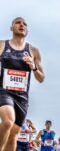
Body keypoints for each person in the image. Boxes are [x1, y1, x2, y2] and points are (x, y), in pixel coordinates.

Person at [0, 17, 45, 151]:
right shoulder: (2, 45)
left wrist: (33, 67)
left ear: (27, 30)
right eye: (18, 22)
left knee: (14, 135)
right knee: (8, 122)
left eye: (25, 24)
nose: (22, 25)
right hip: (4, 92)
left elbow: (41, 78)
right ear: (11, 27)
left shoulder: (33, 51)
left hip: (22, 96)